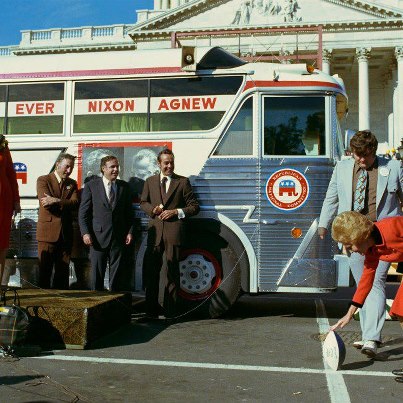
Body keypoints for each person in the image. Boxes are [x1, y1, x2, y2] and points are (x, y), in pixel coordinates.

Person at [318, 130, 403, 357]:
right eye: (357, 155)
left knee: (376, 282)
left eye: (366, 156)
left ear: (374, 152)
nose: (361, 160)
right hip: (353, 233)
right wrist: (323, 224)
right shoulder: (342, 168)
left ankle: (371, 337)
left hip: (382, 234)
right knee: (365, 282)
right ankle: (368, 333)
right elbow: (331, 196)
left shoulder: (393, 167)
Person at [330, 211, 403, 383]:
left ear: (360, 236)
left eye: (349, 245)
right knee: (400, 311)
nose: (348, 250)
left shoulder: (392, 227)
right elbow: (365, 281)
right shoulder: (371, 251)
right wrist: (349, 314)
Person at [140, 148, 200, 318]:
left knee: (172, 272)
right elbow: (143, 203)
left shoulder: (183, 182)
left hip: (174, 233)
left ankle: (171, 312)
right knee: (151, 272)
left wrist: (176, 212)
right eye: (166, 163)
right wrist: (153, 210)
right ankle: (150, 311)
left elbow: (194, 207)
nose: (169, 166)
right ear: (159, 164)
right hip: (155, 234)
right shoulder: (150, 181)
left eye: (171, 162)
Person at [79, 155, 134, 291]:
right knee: (97, 277)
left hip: (118, 238)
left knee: (116, 278)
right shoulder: (91, 186)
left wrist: (130, 232)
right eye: (112, 167)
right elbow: (83, 213)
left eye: (117, 167)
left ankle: (114, 305)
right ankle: (96, 306)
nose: (116, 170)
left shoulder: (124, 187)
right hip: (97, 238)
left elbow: (129, 213)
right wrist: (85, 233)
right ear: (103, 169)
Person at [36, 153, 79, 289]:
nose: (69, 170)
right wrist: (64, 203)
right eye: (67, 167)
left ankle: (60, 305)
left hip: (65, 234)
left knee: (62, 273)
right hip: (47, 234)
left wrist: (57, 200)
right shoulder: (43, 180)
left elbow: (75, 203)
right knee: (45, 271)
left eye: (71, 167)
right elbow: (46, 204)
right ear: (57, 165)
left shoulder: (72, 183)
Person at [0, 135, 21, 286]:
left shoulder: (2, 143)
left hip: (3, 201)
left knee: (1, 244)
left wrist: (16, 200)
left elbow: (11, 174)